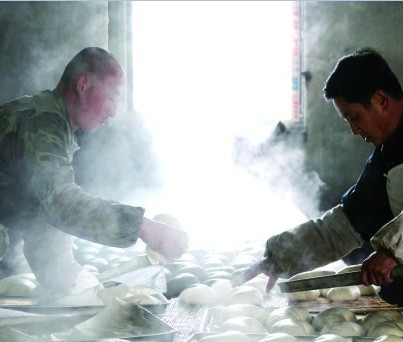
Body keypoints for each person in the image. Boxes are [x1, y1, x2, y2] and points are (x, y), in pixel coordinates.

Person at [0, 47, 189, 299]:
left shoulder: (55, 127)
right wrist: (143, 227)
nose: (113, 111)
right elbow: (61, 203)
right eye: (113, 96)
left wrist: (73, 289)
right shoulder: (42, 122)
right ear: (83, 85)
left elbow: (43, 215)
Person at [234, 47, 403, 306]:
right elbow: (344, 226)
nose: (354, 130)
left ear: (380, 99)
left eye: (354, 117)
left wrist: (394, 249)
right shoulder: (386, 157)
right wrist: (283, 256)